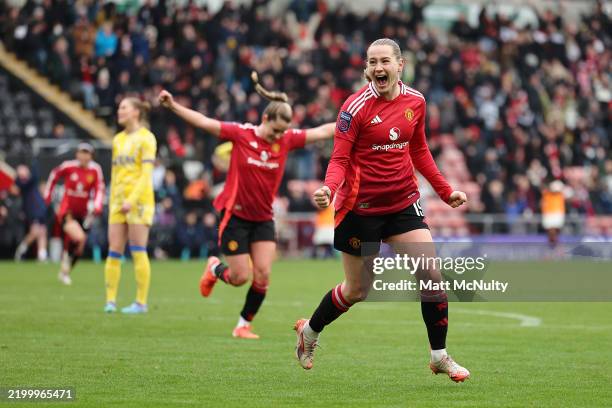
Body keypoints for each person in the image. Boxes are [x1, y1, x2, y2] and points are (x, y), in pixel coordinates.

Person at [293, 38, 471, 382]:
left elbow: (419, 149)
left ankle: (439, 356)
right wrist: (329, 188)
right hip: (360, 209)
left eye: (384, 61)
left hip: (403, 202)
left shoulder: (416, 101)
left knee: (431, 275)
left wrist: (446, 191)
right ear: (366, 68)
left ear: (399, 65)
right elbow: (340, 158)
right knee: (357, 290)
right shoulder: (353, 109)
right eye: (372, 62)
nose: (378, 68)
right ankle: (310, 331)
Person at [159, 72, 335, 339]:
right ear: (265, 119)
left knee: (263, 274)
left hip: (264, 218)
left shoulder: (286, 139)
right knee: (240, 277)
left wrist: (357, 119)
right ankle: (214, 268)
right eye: (276, 130)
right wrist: (173, 106)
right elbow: (205, 122)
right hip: (236, 217)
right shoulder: (241, 134)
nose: (279, 136)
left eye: (283, 132)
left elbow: (322, 131)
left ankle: (243, 325)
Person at [104, 97, 157, 314]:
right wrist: (114, 198)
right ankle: (110, 301)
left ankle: (141, 302)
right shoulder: (117, 139)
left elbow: (146, 175)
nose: (119, 111)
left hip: (139, 202)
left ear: (136, 112)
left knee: (137, 249)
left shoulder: (147, 138)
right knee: (114, 251)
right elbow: (116, 172)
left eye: (124, 108)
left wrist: (131, 200)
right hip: (118, 201)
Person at [44, 142, 105, 285]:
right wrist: (48, 195)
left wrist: (96, 206)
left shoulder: (96, 170)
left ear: (91, 155)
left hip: (84, 213)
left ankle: (65, 271)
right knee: (80, 238)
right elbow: (54, 175)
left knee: (79, 246)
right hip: (67, 211)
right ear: (77, 154)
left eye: (87, 153)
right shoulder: (68, 166)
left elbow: (99, 189)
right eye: (81, 152)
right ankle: (64, 269)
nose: (84, 156)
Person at [14, 164, 48, 262]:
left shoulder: (31, 182)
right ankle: (21, 250)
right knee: (35, 232)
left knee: (42, 232)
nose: (24, 171)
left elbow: (35, 176)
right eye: (21, 170)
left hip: (40, 210)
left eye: (24, 169)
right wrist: (34, 163)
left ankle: (42, 255)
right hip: (32, 211)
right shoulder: (22, 183)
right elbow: (34, 176)